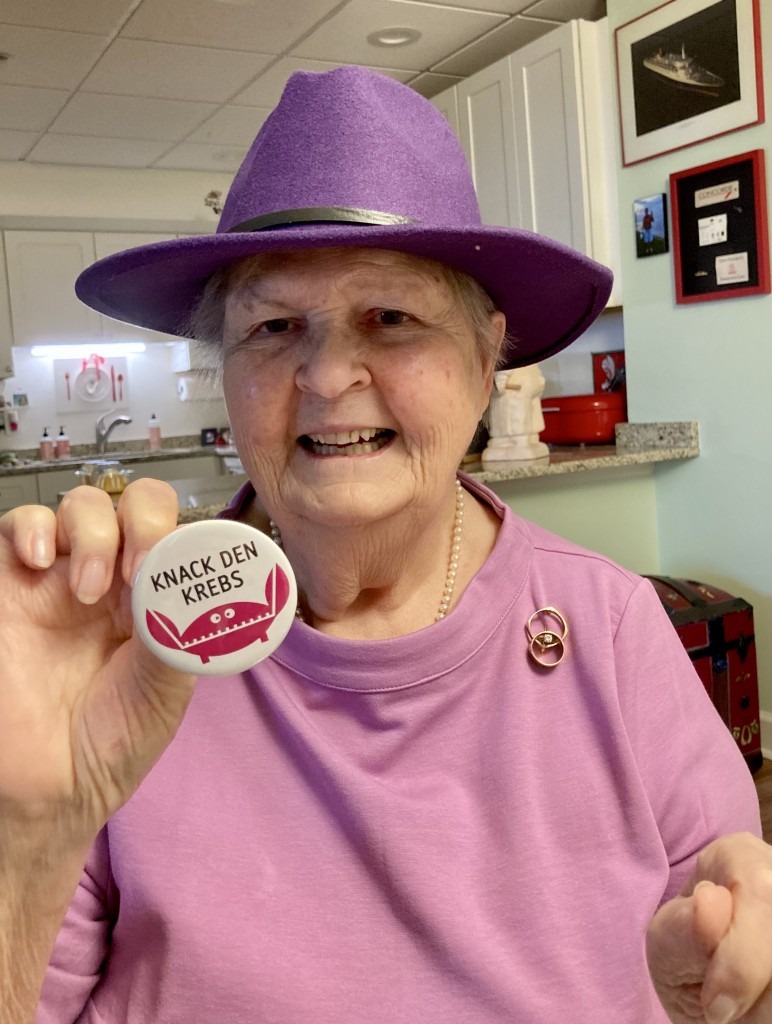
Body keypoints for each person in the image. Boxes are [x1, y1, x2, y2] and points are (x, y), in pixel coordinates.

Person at [1, 67, 769, 1024]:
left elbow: (722, 932)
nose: (327, 376)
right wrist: (27, 834)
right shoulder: (125, 653)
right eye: (273, 326)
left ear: (486, 361)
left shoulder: (610, 628)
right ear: (226, 376)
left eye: (392, 318)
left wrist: (724, 975)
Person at [482, 365, 549, 462]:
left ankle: (517, 441)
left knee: (513, 411)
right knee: (529, 411)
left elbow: (505, 362)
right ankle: (530, 439)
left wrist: (499, 382)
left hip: (515, 382)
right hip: (531, 375)